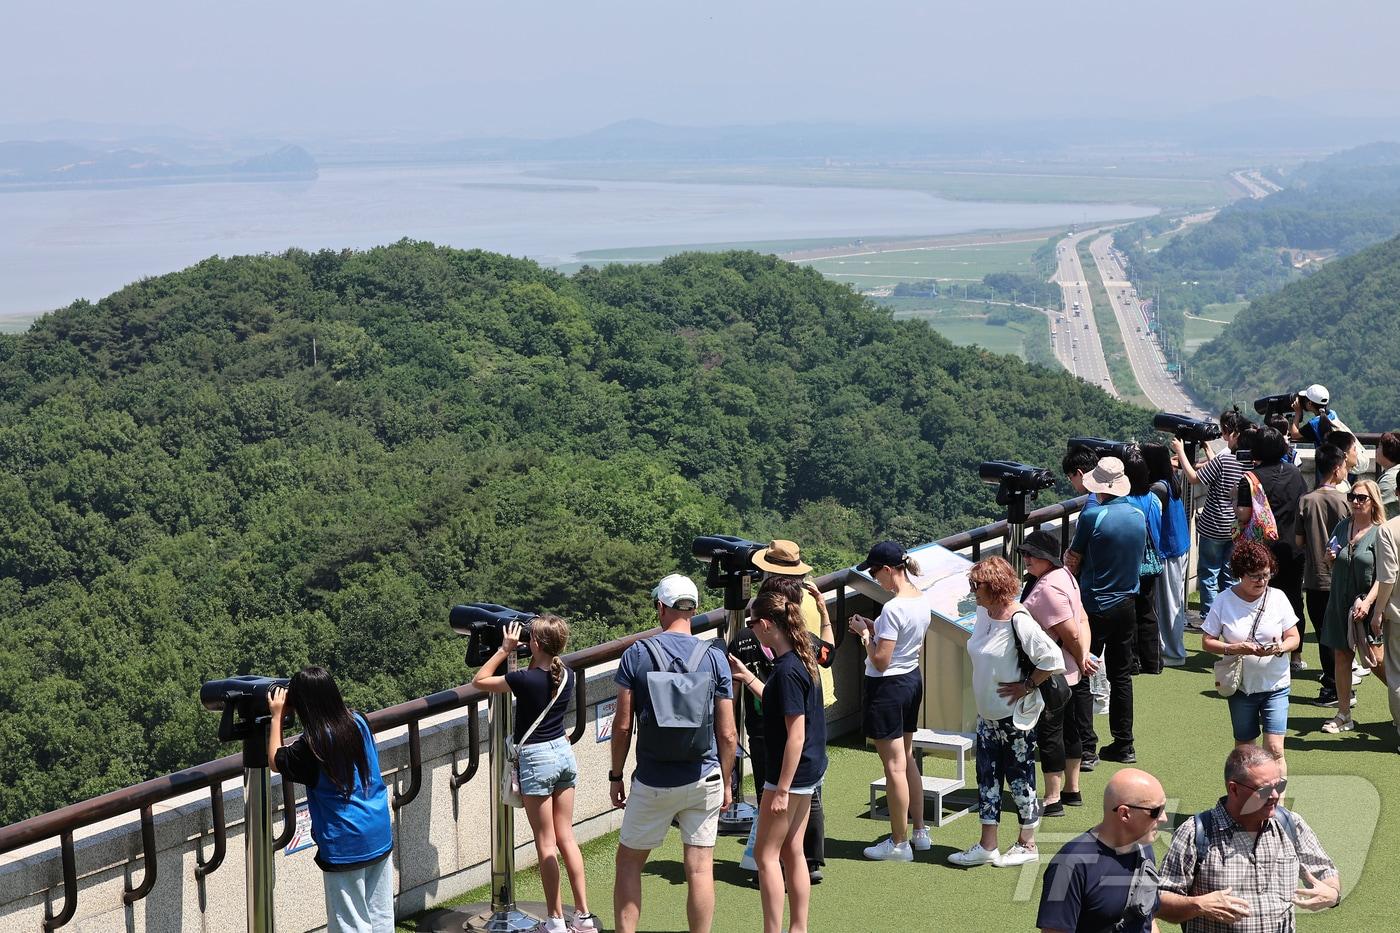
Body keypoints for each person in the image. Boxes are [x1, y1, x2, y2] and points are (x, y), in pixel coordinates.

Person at [610, 574, 736, 933]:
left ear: (660, 608)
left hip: (652, 779)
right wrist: (726, 781)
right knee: (699, 868)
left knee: (629, 864)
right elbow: (727, 733)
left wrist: (616, 775)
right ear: (694, 610)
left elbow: (621, 726)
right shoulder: (714, 657)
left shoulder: (636, 655)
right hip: (704, 775)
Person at [472, 616, 597, 933]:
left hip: (538, 760)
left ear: (536, 645)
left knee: (546, 844)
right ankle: (582, 917)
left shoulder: (524, 681)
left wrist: (504, 649)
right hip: (563, 753)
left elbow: (480, 680)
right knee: (566, 836)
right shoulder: (565, 673)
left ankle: (555, 921)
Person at [948, 556, 1064, 868]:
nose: (974, 592)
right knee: (987, 778)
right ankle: (989, 844)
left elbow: (1051, 659)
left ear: (996, 587)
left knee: (1020, 779)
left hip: (1016, 717)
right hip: (988, 715)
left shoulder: (1019, 619)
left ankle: (1027, 843)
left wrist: (1027, 685)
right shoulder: (985, 614)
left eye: (978, 586)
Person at [728, 591, 827, 933]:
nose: (751, 629)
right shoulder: (801, 658)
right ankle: (797, 927)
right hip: (810, 770)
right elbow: (779, 700)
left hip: (789, 775)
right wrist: (748, 676)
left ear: (767, 625)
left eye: (753, 622)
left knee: (766, 857)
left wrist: (781, 789)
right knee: (792, 850)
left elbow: (794, 735)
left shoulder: (785, 671)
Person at [267, 668, 395, 933]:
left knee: (350, 923)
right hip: (377, 829)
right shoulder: (359, 721)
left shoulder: (312, 745)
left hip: (344, 841)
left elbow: (276, 761)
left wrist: (277, 716)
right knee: (380, 915)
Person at [1158, 746, 1340, 930]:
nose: (1275, 796)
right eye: (1264, 790)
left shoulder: (1290, 824)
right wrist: (1199, 905)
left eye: (1279, 786)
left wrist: (1332, 892)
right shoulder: (1196, 833)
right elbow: (1159, 900)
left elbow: (1325, 871)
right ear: (1234, 789)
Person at [748, 540, 834, 881]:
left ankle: (783, 871)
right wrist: (825, 613)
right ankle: (812, 862)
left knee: (771, 845)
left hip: (785, 705)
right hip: (813, 698)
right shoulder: (808, 600)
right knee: (810, 799)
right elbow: (827, 655)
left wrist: (780, 788)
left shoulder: (770, 609)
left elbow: (792, 734)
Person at [848, 539, 933, 861]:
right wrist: (875, 628)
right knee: (907, 758)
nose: (874, 579)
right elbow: (901, 641)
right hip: (911, 680)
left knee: (894, 766)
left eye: (874, 572)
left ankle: (899, 843)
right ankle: (920, 831)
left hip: (887, 687)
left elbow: (881, 659)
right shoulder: (919, 599)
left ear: (887, 569)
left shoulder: (894, 607)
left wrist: (865, 636)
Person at [1064, 456, 1146, 764]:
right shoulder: (1138, 514)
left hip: (1094, 605)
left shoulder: (1093, 516)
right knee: (1121, 675)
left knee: (1083, 670)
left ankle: (1086, 747)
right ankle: (1124, 744)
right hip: (1127, 604)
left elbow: (1074, 559)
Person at [1200, 541, 1300, 768]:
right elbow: (1206, 641)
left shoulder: (1278, 597)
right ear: (1239, 573)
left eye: (1266, 575)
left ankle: (1277, 803)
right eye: (1255, 576)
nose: (1262, 581)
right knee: (1245, 752)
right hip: (1241, 687)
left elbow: (1294, 638)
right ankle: (1246, 801)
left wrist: (1280, 648)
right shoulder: (1224, 600)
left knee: (1275, 749)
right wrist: (1233, 648)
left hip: (1276, 685)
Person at [1018, 529, 1094, 817]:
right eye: (1024, 554)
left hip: (1054, 674)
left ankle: (1052, 798)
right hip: (1073, 671)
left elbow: (1070, 633)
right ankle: (1072, 789)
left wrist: (1079, 654)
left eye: (1032, 555)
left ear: (1046, 559)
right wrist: (1084, 658)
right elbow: (1082, 618)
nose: (1026, 559)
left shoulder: (1047, 588)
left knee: (1051, 734)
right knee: (1072, 730)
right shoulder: (1066, 578)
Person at [1036, 768, 1167, 933]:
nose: (1164, 818)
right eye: (1156, 811)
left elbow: (1147, 919)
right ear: (1125, 813)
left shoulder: (1143, 848)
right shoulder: (1067, 866)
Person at [1235, 426, 1308, 672]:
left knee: (1260, 598)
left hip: (1262, 550)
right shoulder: (1295, 474)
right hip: (1293, 547)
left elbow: (1244, 515)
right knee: (1293, 600)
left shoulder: (1251, 478)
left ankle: (1261, 648)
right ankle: (1295, 655)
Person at [1316, 479, 1386, 733]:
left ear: (1373, 502)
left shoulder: (1381, 532)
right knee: (1342, 656)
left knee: (1377, 661)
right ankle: (1343, 714)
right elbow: (1333, 564)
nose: (1355, 502)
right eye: (1352, 497)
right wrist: (1329, 559)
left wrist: (1368, 603)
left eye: (1361, 498)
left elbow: (1386, 575)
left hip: (1369, 605)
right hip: (1339, 602)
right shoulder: (1342, 527)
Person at [1172, 408, 1250, 621]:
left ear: (1232, 433)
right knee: (1229, 573)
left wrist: (1180, 450)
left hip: (1214, 524)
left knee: (1209, 573)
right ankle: (1230, 615)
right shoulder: (1247, 459)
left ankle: (1210, 616)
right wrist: (1207, 448)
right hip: (1235, 525)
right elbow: (1219, 465)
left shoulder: (1224, 460)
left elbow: (1195, 477)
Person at [1298, 444, 1350, 707]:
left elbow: (1299, 540)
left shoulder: (1306, 500)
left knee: (1323, 634)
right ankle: (1342, 685)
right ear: (1336, 468)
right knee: (1341, 635)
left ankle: (1332, 686)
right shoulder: (1345, 501)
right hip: (1340, 577)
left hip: (1315, 576)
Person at [1144, 442, 1191, 666]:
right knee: (1175, 601)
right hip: (1178, 546)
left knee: (1170, 603)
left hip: (1168, 551)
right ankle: (1173, 648)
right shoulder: (1170, 480)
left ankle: (1173, 653)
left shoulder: (1157, 489)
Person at [1123, 448, 1164, 676]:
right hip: (1151, 561)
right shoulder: (1154, 499)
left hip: (1130, 563)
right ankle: (1153, 661)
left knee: (1129, 613)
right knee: (1148, 612)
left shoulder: (1124, 502)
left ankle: (1133, 661)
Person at [1371, 509, 1400, 746]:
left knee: (1398, 674)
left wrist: (1378, 611)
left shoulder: (1389, 529)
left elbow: (1388, 575)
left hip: (1398, 614)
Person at [1374, 431, 1399, 513]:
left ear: (1389, 450)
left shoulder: (1388, 480)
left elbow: (1375, 510)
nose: (1376, 450)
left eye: (1380, 446)